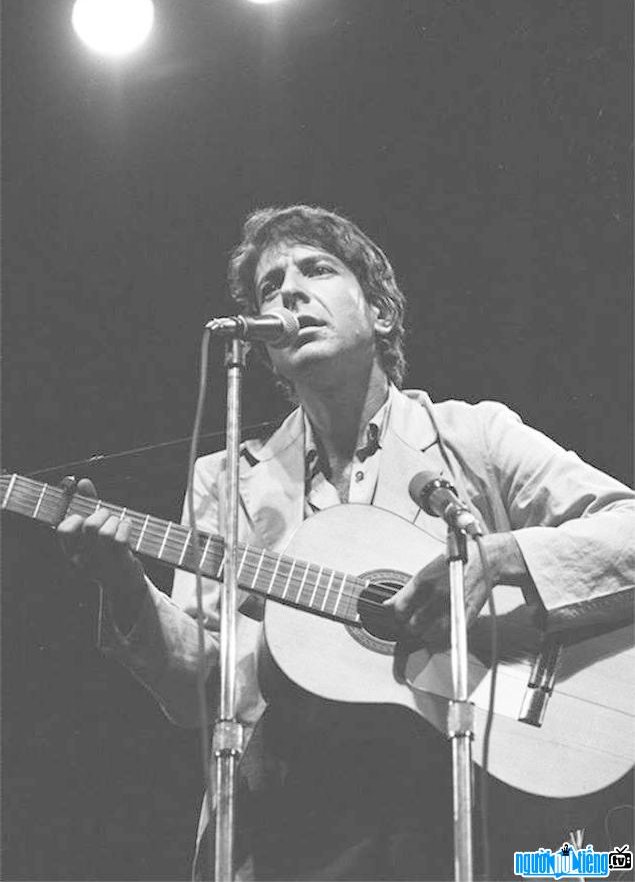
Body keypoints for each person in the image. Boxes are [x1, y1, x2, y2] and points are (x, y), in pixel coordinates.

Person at [58, 204, 634, 881]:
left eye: (316, 270)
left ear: (380, 314)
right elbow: (199, 692)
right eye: (270, 287)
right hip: (294, 828)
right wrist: (124, 584)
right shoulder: (226, 483)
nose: (288, 292)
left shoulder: (470, 437)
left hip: (462, 804)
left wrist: (498, 557)